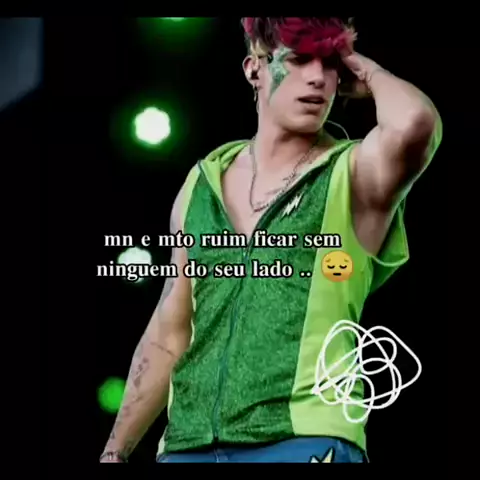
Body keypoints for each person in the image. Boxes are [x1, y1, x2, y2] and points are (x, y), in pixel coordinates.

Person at [100, 17, 442, 463]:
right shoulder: (201, 184)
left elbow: (415, 122)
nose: (318, 77)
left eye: (330, 63)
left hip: (304, 438)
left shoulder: (355, 173)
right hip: (187, 445)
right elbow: (170, 329)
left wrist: (366, 69)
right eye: (299, 59)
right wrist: (115, 451)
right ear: (254, 69)